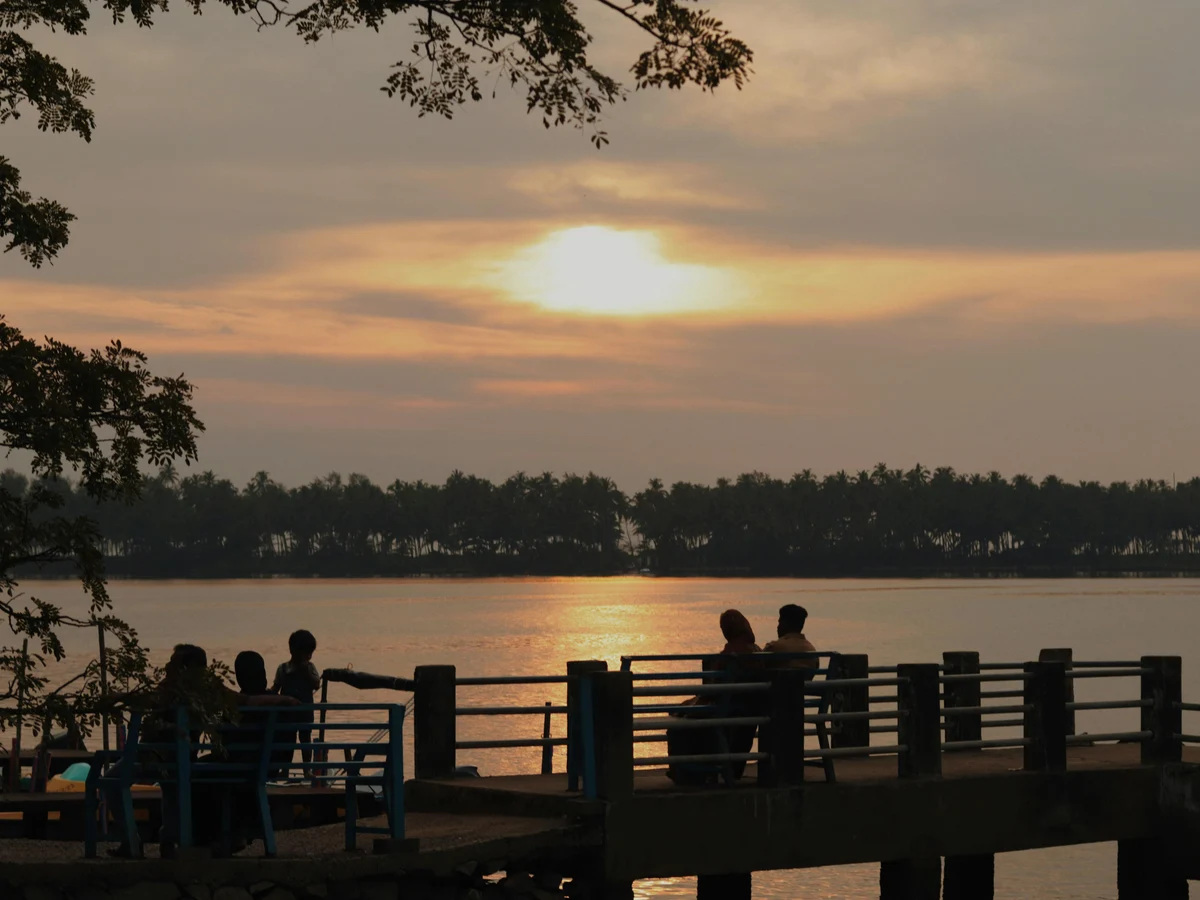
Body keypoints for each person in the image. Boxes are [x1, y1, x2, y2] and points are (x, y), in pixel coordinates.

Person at [273, 630, 321, 767]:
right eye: (307, 653)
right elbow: (276, 687)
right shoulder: (283, 669)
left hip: (305, 711)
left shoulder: (310, 667)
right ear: (293, 650)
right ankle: (284, 768)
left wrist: (306, 672)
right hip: (287, 712)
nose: (309, 657)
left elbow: (316, 683)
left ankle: (307, 768)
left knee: (305, 738)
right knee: (287, 740)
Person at [763, 604, 818, 668]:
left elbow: (758, 664)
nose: (778, 627)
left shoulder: (774, 647)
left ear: (785, 623)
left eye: (780, 622)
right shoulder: (811, 650)